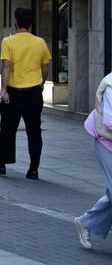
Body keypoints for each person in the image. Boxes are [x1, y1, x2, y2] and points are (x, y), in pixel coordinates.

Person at [0, 7, 51, 180]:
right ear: (30, 23)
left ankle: (2, 163)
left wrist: (3, 90)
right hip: (34, 93)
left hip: (14, 92)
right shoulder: (40, 42)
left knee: (7, 129)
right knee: (34, 131)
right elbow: (45, 66)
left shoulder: (8, 42)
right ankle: (33, 169)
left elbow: (6, 67)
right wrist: (41, 83)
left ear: (16, 21)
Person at [74, 71, 112, 250]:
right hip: (105, 141)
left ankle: (85, 222)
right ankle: (86, 222)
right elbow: (109, 121)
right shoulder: (111, 84)